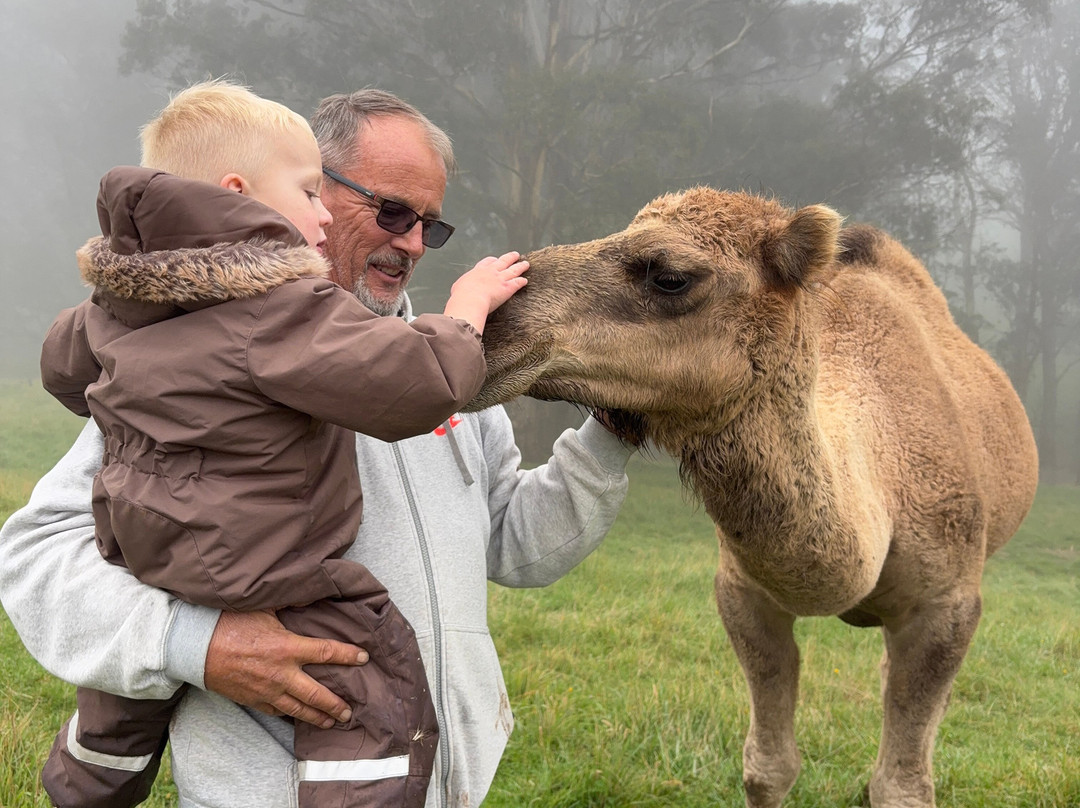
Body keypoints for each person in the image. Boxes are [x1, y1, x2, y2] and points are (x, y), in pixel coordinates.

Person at [0, 88, 636, 808]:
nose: (414, 243)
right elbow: (35, 557)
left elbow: (514, 546)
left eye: (432, 224)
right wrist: (195, 645)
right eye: (392, 211)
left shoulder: (452, 370)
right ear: (306, 195)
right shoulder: (187, 368)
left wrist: (614, 433)